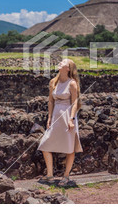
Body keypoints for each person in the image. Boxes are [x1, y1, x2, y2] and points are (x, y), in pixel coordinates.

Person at [37, 58, 83, 186]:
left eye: (64, 62)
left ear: (68, 68)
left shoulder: (72, 83)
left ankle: (66, 176)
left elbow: (74, 103)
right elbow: (50, 101)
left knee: (70, 148)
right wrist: (49, 117)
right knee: (45, 144)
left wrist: (72, 119)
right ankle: (50, 175)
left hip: (68, 116)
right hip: (56, 115)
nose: (60, 62)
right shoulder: (53, 82)